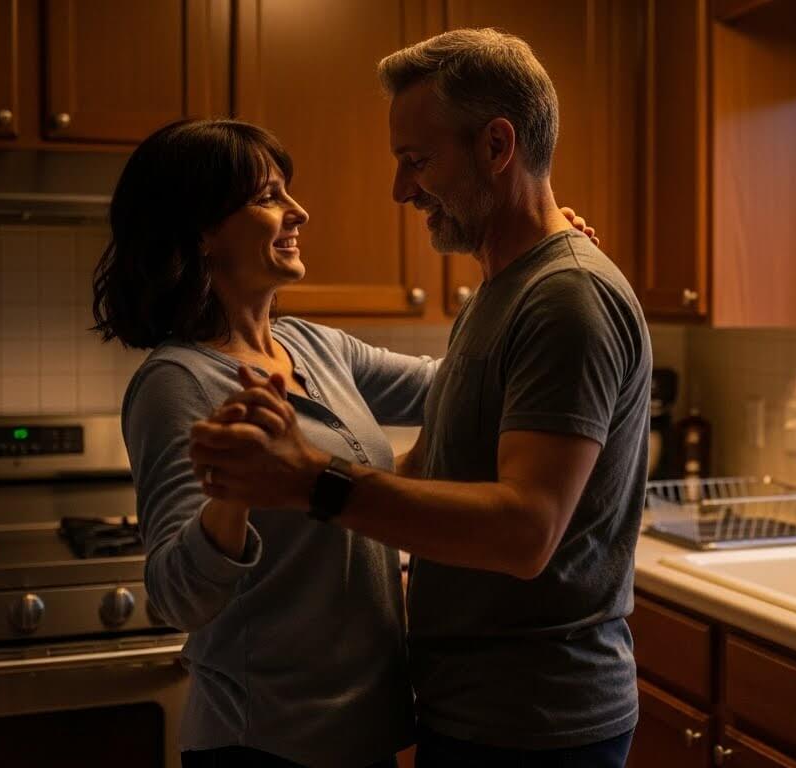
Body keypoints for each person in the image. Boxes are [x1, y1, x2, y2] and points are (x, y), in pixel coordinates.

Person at [188, 29, 651, 768]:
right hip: (474, 708)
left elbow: (525, 532)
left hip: (536, 725)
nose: (401, 190)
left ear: (496, 146)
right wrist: (285, 494)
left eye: (417, 161)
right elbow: (433, 470)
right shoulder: (502, 290)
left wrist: (312, 479)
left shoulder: (566, 296)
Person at [93, 118, 596, 768]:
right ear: (201, 232)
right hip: (265, 741)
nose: (298, 211)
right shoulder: (177, 382)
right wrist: (233, 497)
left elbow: (465, 385)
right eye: (268, 196)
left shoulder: (313, 345)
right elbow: (175, 597)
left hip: (365, 732)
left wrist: (529, 272)